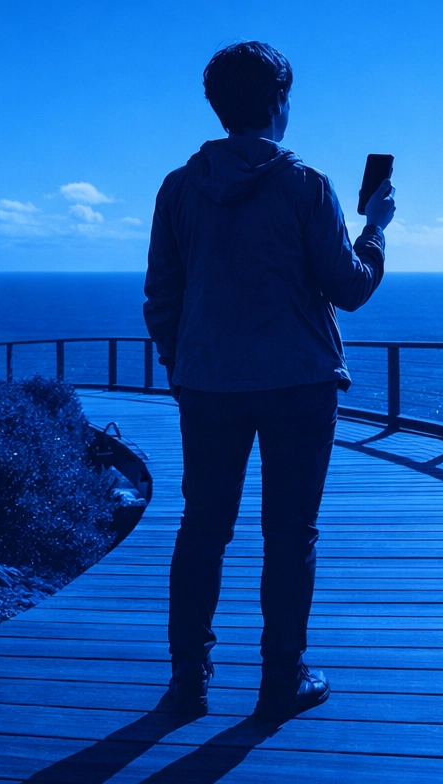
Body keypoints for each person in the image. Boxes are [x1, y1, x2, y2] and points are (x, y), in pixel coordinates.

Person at [142, 41, 394, 722]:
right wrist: (375, 230)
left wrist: (184, 366)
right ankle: (281, 680)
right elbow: (349, 288)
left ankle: (187, 684)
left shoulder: (178, 188)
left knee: (202, 528)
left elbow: (160, 298)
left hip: (209, 385)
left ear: (218, 105)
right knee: (290, 535)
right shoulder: (305, 185)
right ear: (279, 102)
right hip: (297, 386)